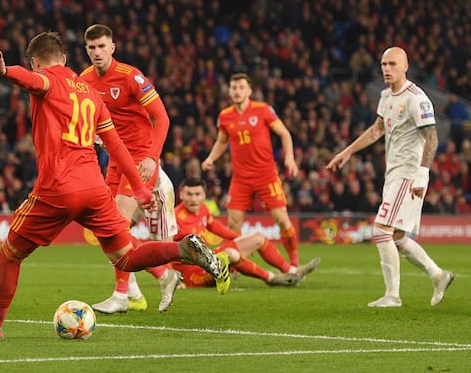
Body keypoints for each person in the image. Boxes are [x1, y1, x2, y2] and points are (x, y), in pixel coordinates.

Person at [0, 32, 230, 340]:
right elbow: (116, 146)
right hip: (95, 189)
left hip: (57, 188)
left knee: (10, 255)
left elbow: (33, 82)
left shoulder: (47, 79)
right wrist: (141, 190)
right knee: (125, 256)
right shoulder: (88, 92)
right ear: (64, 58)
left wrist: (6, 72)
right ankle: (182, 250)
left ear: (36, 62)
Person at [326, 46, 454, 307]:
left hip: (410, 173)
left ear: (405, 66)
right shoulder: (386, 96)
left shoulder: (417, 98)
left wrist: (421, 174)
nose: (386, 69)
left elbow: (432, 137)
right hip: (394, 173)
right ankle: (437, 274)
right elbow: (376, 130)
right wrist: (348, 151)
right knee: (395, 236)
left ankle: (392, 296)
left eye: (392, 64)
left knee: (381, 229)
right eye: (383, 64)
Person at [79, 24, 179, 313]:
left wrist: (152, 156)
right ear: (86, 50)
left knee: (117, 226)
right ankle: (153, 281)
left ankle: (122, 295)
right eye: (91, 47)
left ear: (112, 47)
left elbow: (162, 117)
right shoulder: (85, 79)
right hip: (114, 160)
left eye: (101, 46)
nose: (97, 52)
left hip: (139, 159)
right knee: (105, 230)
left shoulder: (130, 76)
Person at [201, 72, 301, 268]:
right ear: (229, 91)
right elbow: (222, 142)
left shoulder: (263, 110)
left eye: (240, 88)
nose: (237, 91)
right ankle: (236, 266)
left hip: (266, 175)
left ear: (249, 91)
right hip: (240, 178)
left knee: (281, 218)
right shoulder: (225, 116)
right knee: (233, 224)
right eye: (233, 88)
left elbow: (284, 133)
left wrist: (289, 157)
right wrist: (211, 158)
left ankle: (294, 263)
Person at [172, 177, 319, 288]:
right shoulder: (174, 218)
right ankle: (272, 278)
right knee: (230, 253)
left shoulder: (203, 209)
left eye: (197, 194)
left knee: (257, 238)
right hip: (192, 276)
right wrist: (172, 278)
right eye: (189, 194)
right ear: (181, 195)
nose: (194, 199)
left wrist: (241, 240)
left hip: (208, 261)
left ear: (204, 195)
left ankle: (292, 270)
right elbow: (163, 248)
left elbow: (217, 228)